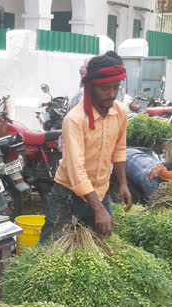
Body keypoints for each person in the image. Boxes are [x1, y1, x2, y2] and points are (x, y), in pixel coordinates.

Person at [38, 52, 132, 242]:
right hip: (67, 195)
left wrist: (122, 183)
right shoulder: (74, 119)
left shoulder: (120, 112)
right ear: (90, 87)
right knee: (50, 252)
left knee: (104, 247)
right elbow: (76, 171)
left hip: (100, 191)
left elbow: (119, 150)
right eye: (105, 88)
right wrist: (98, 209)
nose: (112, 94)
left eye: (116, 88)